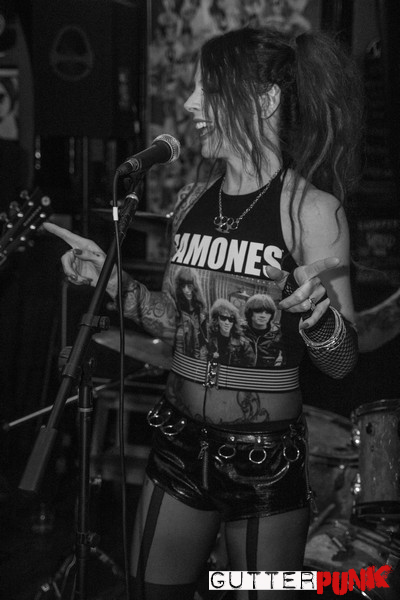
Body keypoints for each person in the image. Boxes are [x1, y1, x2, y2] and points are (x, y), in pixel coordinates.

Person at [44, 26, 362, 600]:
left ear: (265, 99)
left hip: (265, 462)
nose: (191, 105)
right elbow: (177, 323)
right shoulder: (191, 202)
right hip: (178, 446)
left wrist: (319, 320)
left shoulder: (313, 210)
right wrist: (112, 281)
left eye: (207, 90)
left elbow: (342, 365)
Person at [243, 293, 284, 367]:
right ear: (250, 312)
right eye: (258, 311)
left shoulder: (279, 335)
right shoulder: (238, 331)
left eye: (267, 312)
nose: (263, 316)